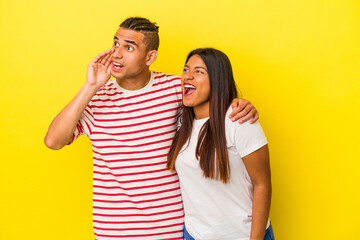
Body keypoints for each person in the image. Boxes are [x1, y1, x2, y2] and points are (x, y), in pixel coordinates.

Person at [44, 17, 259, 240]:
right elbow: (53, 141)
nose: (116, 53)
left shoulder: (175, 89)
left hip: (171, 230)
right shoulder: (95, 99)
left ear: (150, 57)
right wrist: (90, 86)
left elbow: (212, 106)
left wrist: (241, 106)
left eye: (128, 47)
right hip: (113, 233)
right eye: (116, 43)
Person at [167, 48, 274, 240]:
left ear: (217, 80)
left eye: (199, 71)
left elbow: (262, 184)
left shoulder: (237, 121)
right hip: (195, 235)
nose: (188, 76)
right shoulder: (181, 125)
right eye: (185, 69)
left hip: (243, 235)